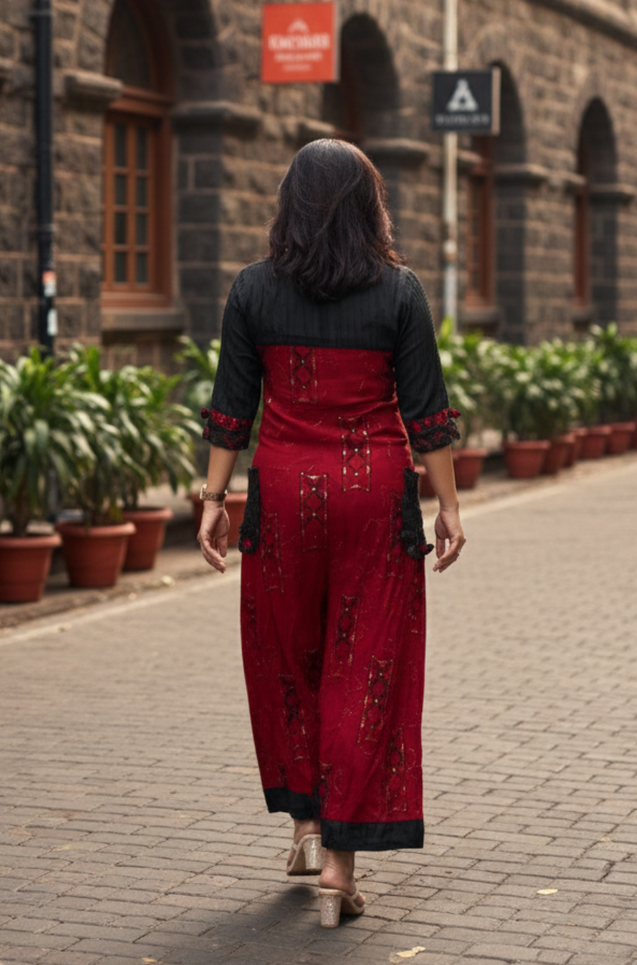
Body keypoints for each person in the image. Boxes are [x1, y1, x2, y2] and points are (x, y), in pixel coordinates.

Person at [197, 139, 466, 928]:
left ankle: (306, 827)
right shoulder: (400, 293)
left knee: (289, 654)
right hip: (372, 496)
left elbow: (229, 408)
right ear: (367, 206)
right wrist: (447, 505)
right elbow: (428, 415)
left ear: (289, 204)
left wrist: (213, 498)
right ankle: (337, 876)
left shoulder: (251, 291)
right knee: (364, 662)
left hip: (280, 493)